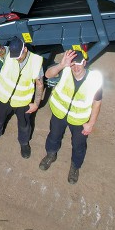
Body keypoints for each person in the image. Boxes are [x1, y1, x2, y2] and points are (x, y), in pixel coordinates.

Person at [40, 47, 103, 184]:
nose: (75, 68)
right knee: (53, 136)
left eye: (78, 64)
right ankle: (51, 155)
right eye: (73, 64)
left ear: (84, 63)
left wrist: (90, 124)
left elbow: (97, 103)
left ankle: (75, 166)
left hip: (79, 120)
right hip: (59, 114)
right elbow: (48, 75)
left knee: (78, 145)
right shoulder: (65, 70)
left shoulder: (94, 79)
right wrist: (62, 64)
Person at [0, 32, 44, 159]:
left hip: (23, 102)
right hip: (3, 97)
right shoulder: (9, 53)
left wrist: (36, 104)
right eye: (15, 56)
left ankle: (24, 143)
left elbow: (39, 84)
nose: (17, 58)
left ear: (25, 49)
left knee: (24, 125)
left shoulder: (36, 61)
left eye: (20, 55)